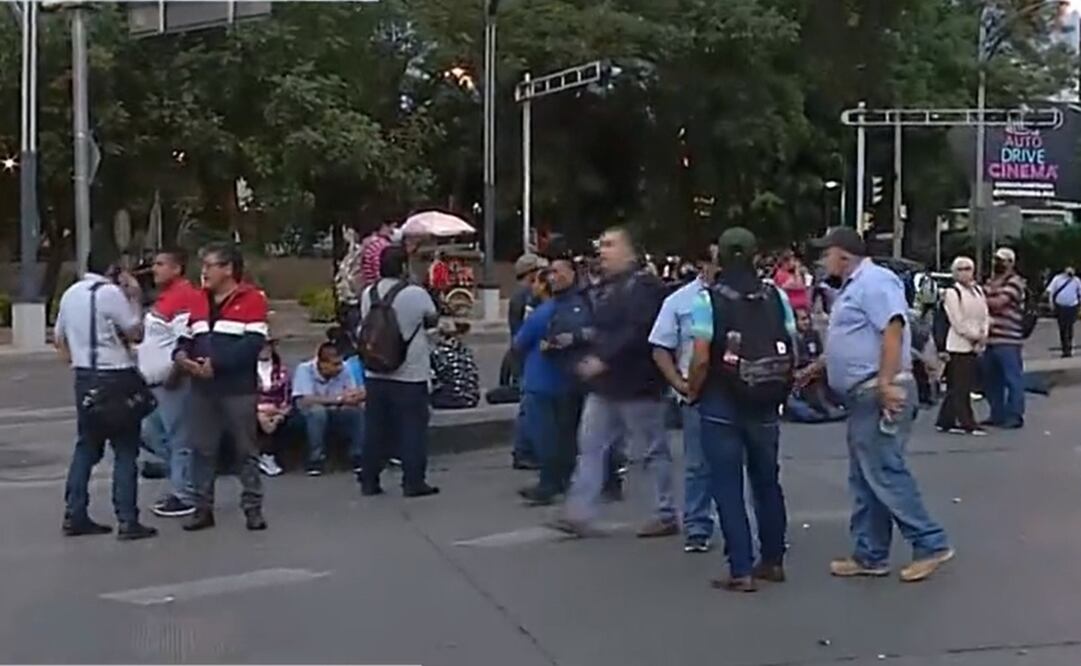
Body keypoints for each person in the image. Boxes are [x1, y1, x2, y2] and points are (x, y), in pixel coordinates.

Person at [811, 227, 953, 583]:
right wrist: (816, 368)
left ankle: (930, 542)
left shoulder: (874, 282)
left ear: (842, 255)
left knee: (885, 471)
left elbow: (893, 330)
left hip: (877, 391)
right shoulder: (854, 287)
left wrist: (887, 383)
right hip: (864, 393)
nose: (821, 260)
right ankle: (870, 553)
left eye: (825, 253)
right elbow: (854, 338)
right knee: (866, 477)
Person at [549, 227, 676, 538]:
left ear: (629, 251)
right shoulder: (606, 287)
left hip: (638, 384)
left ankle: (665, 511)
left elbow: (638, 331)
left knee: (650, 450)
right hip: (607, 385)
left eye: (610, 245)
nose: (602, 251)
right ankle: (579, 513)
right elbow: (603, 328)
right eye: (601, 244)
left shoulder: (643, 286)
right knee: (590, 446)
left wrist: (602, 357)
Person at [686, 228, 792, 592]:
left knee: (727, 485)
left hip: (722, 400)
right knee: (767, 481)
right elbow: (790, 342)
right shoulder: (775, 296)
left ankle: (741, 568)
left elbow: (701, 358)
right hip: (765, 399)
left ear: (720, 257)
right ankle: (773, 560)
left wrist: (691, 391)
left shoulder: (708, 299)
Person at [55, 251, 158, 540]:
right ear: (114, 269)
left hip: (85, 376)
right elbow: (135, 332)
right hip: (115, 375)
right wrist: (135, 297)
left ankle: (74, 513)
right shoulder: (110, 293)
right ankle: (127, 519)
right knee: (125, 449)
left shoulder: (70, 294)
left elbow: (60, 340)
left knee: (86, 446)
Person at [176, 243, 268, 532]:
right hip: (202, 389)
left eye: (209, 266)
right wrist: (182, 358)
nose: (203, 272)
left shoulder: (251, 299)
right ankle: (202, 508)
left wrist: (216, 364)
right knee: (202, 449)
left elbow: (252, 344)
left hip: (237, 388)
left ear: (228, 269)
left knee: (245, 450)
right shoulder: (197, 300)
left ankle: (252, 508)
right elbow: (184, 337)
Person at [649, 247, 718, 553]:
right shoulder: (679, 301)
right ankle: (698, 526)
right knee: (698, 464)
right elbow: (660, 346)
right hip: (699, 392)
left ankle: (756, 530)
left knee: (751, 465)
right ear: (703, 262)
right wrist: (679, 383)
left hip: (743, 391)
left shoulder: (756, 294)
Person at [358, 244, 441, 497]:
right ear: (405, 266)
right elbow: (432, 318)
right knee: (412, 428)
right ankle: (413, 481)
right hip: (410, 373)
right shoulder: (415, 294)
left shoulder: (368, 293)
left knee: (375, 428)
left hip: (375, 371)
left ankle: (370, 479)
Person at [137, 248, 201, 518]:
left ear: (177, 268)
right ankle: (185, 477)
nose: (155, 269)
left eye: (161, 264)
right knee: (149, 433)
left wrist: (177, 373)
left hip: (171, 382)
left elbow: (184, 340)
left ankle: (184, 493)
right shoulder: (164, 298)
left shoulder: (183, 296)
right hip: (153, 383)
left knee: (178, 437)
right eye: (155, 264)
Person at [512, 268, 572, 505]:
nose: (533, 287)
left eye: (536, 282)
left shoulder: (540, 314)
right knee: (561, 434)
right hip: (564, 381)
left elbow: (519, 342)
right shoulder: (567, 310)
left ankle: (548, 483)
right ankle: (562, 479)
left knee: (544, 435)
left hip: (540, 381)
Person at [293, 341, 366, 476]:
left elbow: (352, 392)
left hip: (335, 410)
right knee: (317, 412)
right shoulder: (304, 369)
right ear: (322, 363)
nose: (339, 368)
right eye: (335, 364)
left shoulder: (345, 368)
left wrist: (355, 397)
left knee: (356, 411)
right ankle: (315, 459)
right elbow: (306, 399)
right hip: (307, 413)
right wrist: (339, 399)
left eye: (340, 363)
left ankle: (357, 455)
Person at [936, 256, 989, 435]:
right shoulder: (953, 293)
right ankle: (967, 422)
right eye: (960, 269)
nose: (965, 272)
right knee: (961, 386)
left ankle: (945, 420)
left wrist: (983, 335)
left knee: (959, 385)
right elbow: (957, 321)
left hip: (975, 344)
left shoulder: (978, 291)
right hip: (958, 344)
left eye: (968, 268)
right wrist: (973, 336)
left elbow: (984, 315)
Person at [508, 253, 548, 469]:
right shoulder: (526, 297)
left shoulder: (520, 296)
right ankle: (524, 451)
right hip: (526, 355)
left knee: (528, 405)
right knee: (529, 407)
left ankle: (526, 449)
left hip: (522, 353)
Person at [983, 247, 1027, 429]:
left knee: (1012, 379)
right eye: (995, 259)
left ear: (1011, 262)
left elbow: (998, 303)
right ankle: (997, 414)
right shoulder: (991, 281)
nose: (996, 263)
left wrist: (981, 296)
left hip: (1008, 339)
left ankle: (1014, 415)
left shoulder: (1015, 282)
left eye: (1001, 260)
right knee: (991, 380)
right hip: (989, 339)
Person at [787, 308, 846, 423]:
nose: (806, 322)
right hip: (798, 378)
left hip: (815, 372)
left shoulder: (813, 334)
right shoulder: (790, 339)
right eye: (803, 319)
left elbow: (822, 355)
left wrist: (814, 367)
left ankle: (831, 404)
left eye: (808, 319)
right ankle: (820, 409)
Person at [255, 338, 292, 476]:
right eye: (261, 346)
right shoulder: (246, 370)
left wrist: (279, 413)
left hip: (277, 409)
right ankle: (265, 456)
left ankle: (268, 456)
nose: (265, 349)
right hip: (255, 408)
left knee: (274, 422)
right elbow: (245, 394)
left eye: (268, 346)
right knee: (261, 419)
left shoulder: (282, 370)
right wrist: (260, 410)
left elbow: (287, 394)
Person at [430, 320, 481, 409]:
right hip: (471, 398)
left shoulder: (437, 352)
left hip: (449, 398)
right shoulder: (466, 351)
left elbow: (432, 378)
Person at [1046, 266, 1081, 358]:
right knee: (1062, 327)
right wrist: (1051, 304)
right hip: (1060, 306)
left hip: (1072, 306)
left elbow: (1080, 293)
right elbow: (1051, 292)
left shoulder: (1076, 280)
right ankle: (1064, 348)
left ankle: (1068, 347)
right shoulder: (1057, 279)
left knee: (1069, 327)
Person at [359, 220, 398, 290]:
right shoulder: (382, 246)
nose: (393, 230)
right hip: (380, 288)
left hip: (369, 287)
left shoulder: (369, 244)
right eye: (391, 227)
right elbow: (379, 269)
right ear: (383, 226)